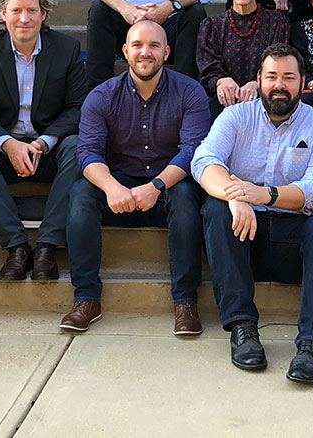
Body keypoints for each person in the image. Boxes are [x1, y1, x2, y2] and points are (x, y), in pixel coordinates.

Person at [191, 43, 313, 385]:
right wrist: (236, 196)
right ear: (258, 80)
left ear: (303, 82)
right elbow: (204, 161)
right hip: (246, 238)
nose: (279, 84)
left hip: (295, 238)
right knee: (216, 209)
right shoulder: (234, 117)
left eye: (288, 77)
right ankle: (243, 328)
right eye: (272, 76)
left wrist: (263, 194)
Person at [59, 21, 211, 336]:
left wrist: (157, 186)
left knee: (184, 197)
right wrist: (112, 187)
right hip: (118, 186)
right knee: (81, 195)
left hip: (167, 183)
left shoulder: (190, 91)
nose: (146, 52)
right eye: (138, 45)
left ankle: (185, 302)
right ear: (125, 51)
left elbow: (192, 152)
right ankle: (86, 298)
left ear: (167, 52)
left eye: (154, 46)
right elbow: (87, 152)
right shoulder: (101, 96)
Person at [0, 0, 87, 281]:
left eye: (32, 10)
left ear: (44, 14)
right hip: (3, 151)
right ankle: (16, 246)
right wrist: (8, 143)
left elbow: (78, 108)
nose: (24, 18)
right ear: (3, 13)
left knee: (79, 146)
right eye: (16, 10)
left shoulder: (67, 49)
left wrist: (44, 142)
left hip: (48, 150)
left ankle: (46, 247)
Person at [196, 0, 290, 117]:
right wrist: (221, 80)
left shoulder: (277, 23)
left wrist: (258, 83)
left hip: (266, 100)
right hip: (225, 102)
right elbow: (207, 69)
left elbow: (280, 62)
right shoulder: (212, 25)